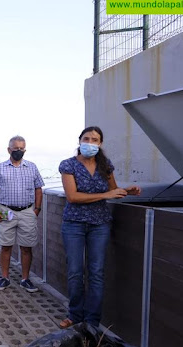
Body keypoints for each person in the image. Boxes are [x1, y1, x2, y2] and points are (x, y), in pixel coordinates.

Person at [58, 126, 141, 329]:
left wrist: (126, 191)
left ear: (100, 143)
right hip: (74, 224)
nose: (90, 142)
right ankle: (75, 315)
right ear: (79, 141)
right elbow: (73, 196)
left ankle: (92, 321)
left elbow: (113, 190)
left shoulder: (106, 165)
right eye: (86, 138)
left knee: (96, 272)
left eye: (95, 139)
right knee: (75, 272)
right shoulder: (68, 165)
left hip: (100, 225)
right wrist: (106, 196)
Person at [0, 135, 44, 292]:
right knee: (5, 246)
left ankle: (25, 279)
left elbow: (38, 189)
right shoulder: (0, 168)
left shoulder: (32, 167)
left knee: (26, 247)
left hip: (27, 211)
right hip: (6, 211)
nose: (19, 151)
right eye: (16, 148)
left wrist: (37, 209)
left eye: (21, 149)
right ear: (9, 150)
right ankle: (5, 278)